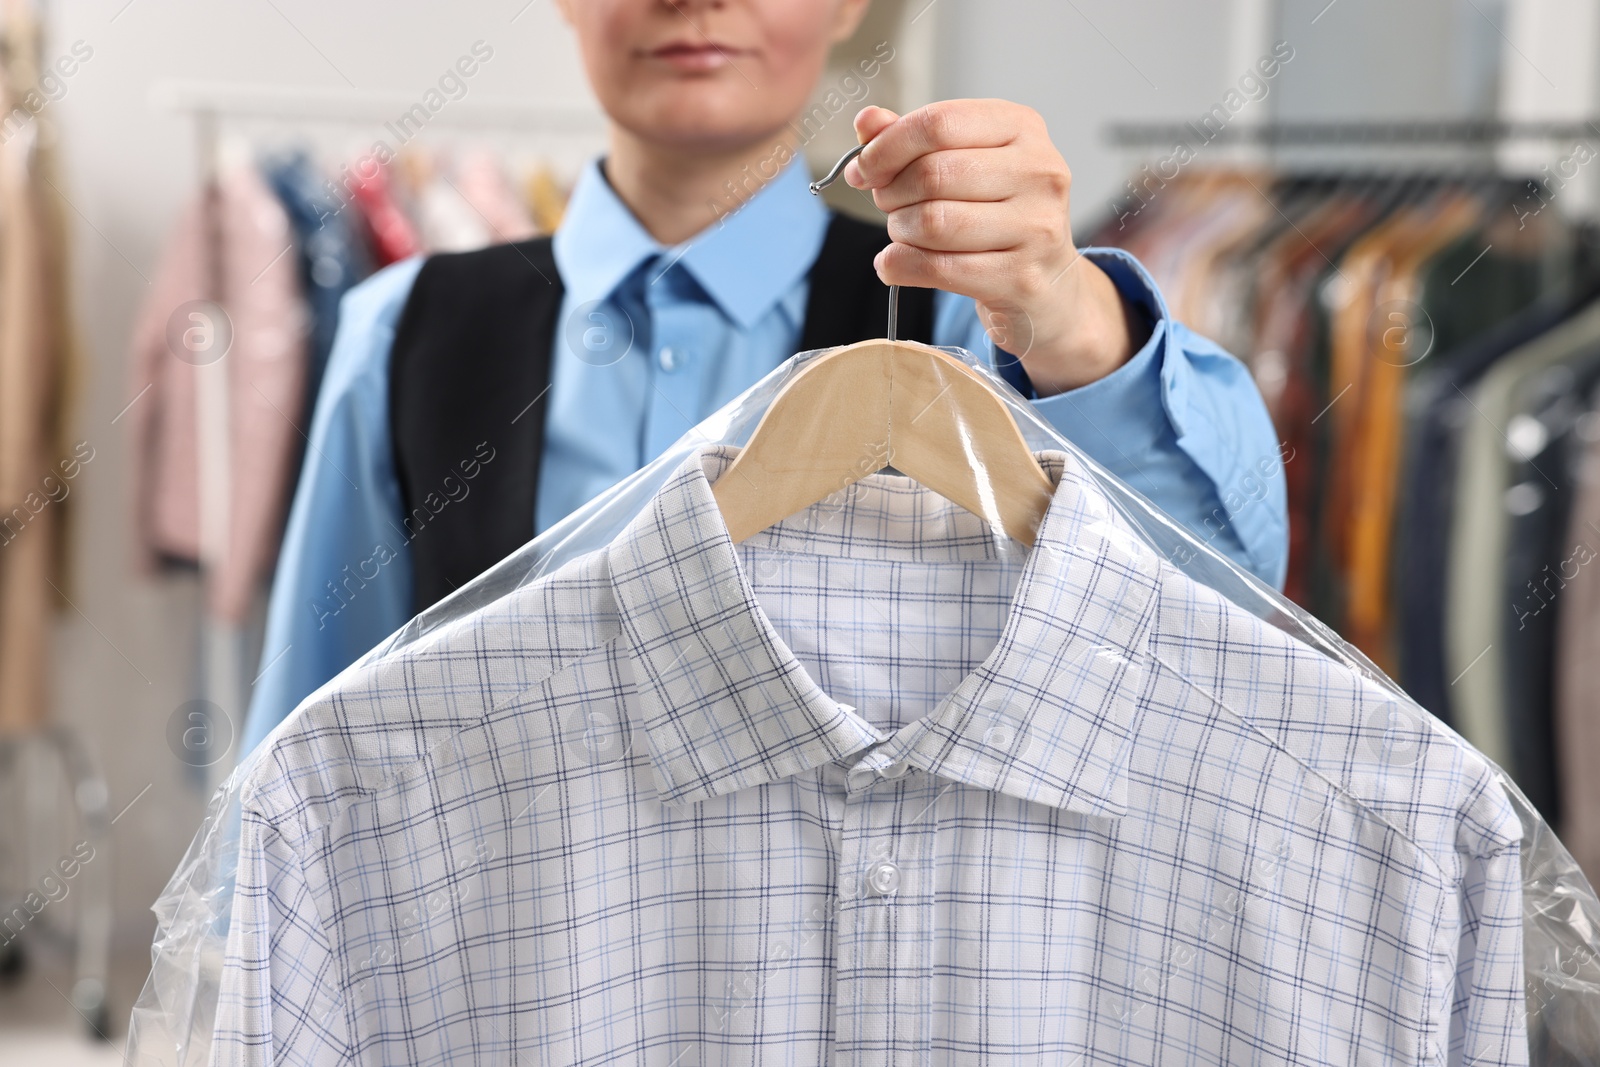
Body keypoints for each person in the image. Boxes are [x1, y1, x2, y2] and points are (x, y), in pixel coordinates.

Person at [238, 0, 1287, 758]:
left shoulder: (972, 329)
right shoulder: (404, 333)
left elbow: (1221, 601)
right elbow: (310, 736)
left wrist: (1072, 319)